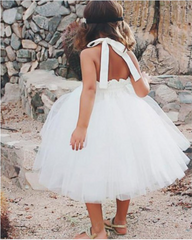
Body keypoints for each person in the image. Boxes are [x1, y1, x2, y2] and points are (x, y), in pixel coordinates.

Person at [33, 1, 190, 239]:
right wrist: (144, 77)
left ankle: (98, 231)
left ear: (89, 26)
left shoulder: (88, 53)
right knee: (124, 164)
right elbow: (142, 91)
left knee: (88, 167)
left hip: (95, 115)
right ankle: (120, 221)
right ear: (117, 24)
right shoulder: (126, 53)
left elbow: (89, 90)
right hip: (126, 114)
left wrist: (81, 127)